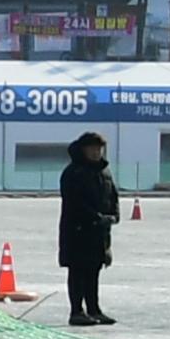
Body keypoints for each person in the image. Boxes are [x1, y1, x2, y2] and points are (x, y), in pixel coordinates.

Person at [61, 131, 121, 325]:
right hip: (78, 230)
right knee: (78, 270)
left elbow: (113, 196)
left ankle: (94, 309)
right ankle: (76, 311)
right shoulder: (73, 172)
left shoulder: (104, 171)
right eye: (92, 149)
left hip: (100, 231)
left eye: (99, 149)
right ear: (83, 150)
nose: (96, 153)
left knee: (94, 269)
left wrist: (114, 215)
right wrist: (95, 217)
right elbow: (74, 202)